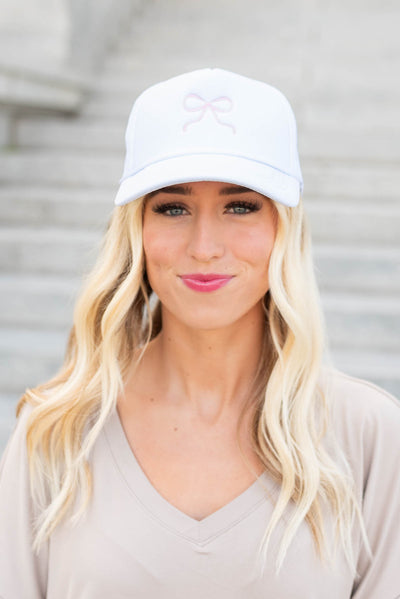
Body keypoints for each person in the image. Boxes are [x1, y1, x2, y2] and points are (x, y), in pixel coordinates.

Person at [0, 68, 399, 598]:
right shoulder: (57, 432)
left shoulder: (368, 434)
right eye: (172, 208)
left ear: (284, 227)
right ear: (136, 232)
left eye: (240, 206)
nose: (205, 245)